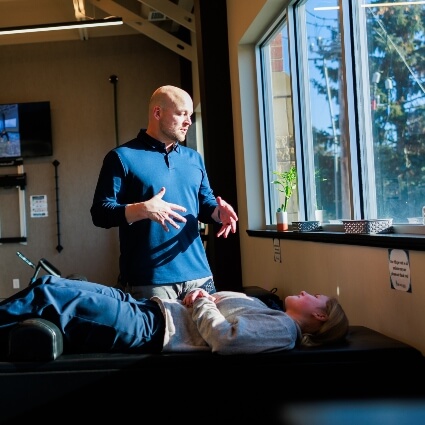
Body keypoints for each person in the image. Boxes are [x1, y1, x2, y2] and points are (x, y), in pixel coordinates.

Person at [90, 85, 238, 300]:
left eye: (190, 114)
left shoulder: (193, 158)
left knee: (208, 334)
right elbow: (100, 214)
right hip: (150, 281)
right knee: (162, 336)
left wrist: (218, 213)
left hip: (200, 277)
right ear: (157, 113)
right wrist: (142, 209)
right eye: (181, 114)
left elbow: (204, 204)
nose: (188, 121)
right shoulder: (122, 157)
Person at [0, 276, 349, 356]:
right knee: (48, 283)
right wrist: (200, 300)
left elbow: (228, 339)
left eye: (312, 296)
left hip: (150, 328)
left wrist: (200, 301)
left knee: (49, 296)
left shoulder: (285, 329)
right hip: (151, 310)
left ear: (320, 315)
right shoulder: (277, 317)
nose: (305, 293)